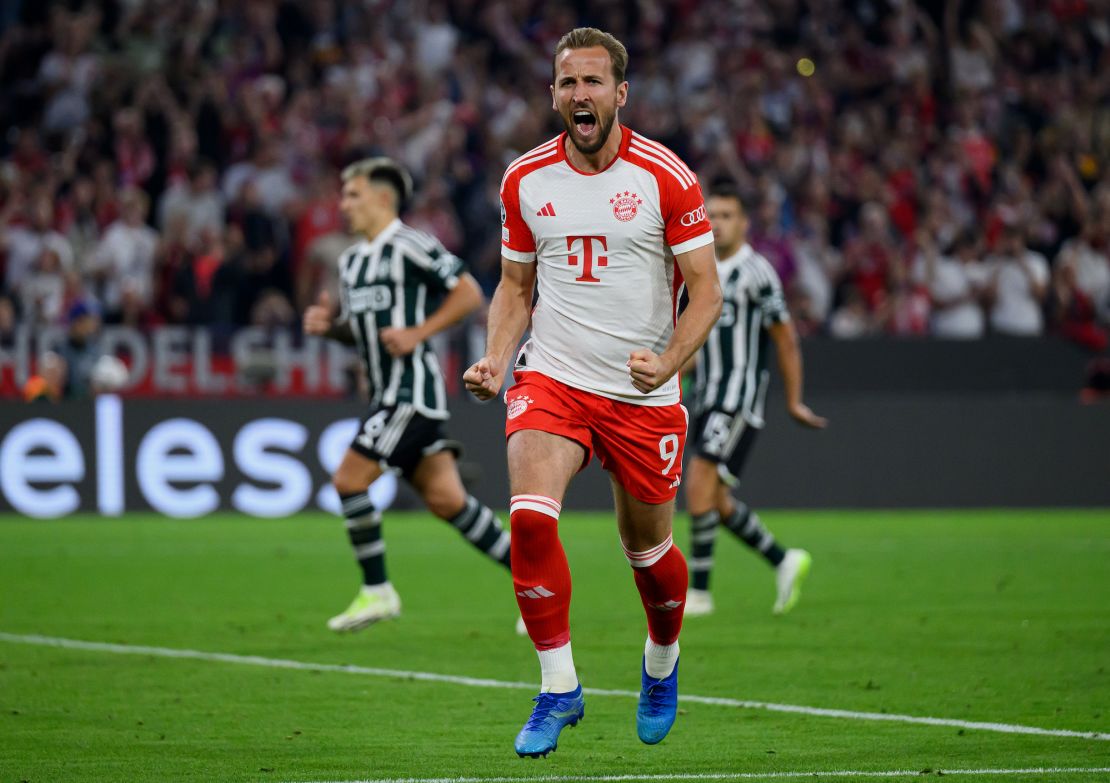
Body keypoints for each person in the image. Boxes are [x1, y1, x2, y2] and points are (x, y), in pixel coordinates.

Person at [464, 28, 723, 756]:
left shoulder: (665, 176)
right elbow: (515, 288)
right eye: (567, 83)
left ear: (620, 94)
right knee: (532, 521)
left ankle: (662, 663)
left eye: (593, 82)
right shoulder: (525, 180)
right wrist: (494, 356)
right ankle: (558, 687)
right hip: (554, 376)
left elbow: (706, 293)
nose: (580, 95)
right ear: (554, 94)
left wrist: (669, 358)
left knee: (650, 556)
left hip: (643, 393)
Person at [304, 157, 513, 633]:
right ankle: (535, 581)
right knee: (448, 501)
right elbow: (366, 334)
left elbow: (468, 293)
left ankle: (377, 591)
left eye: (353, 195)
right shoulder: (353, 261)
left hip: (410, 394)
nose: (344, 204)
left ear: (382, 198)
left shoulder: (411, 246)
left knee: (349, 479)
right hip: (384, 395)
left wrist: (419, 332)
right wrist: (332, 330)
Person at [683, 185, 827, 620]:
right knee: (717, 502)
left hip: (737, 398)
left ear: (744, 223)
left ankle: (700, 593)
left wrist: (795, 401)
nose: (717, 222)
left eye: (727, 215)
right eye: (712, 215)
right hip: (706, 395)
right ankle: (784, 560)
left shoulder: (758, 273)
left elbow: (785, 339)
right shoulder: (699, 271)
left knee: (699, 484)